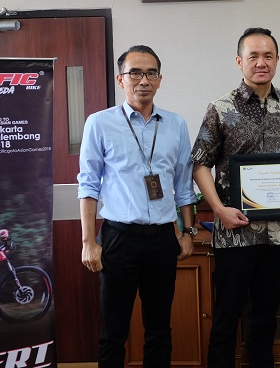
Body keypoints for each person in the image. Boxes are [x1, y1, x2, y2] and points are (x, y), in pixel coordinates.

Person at [191, 27, 280, 368]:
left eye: (268, 56)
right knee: (227, 315)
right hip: (235, 231)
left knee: (265, 315)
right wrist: (219, 210)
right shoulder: (221, 108)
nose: (261, 63)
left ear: (277, 59)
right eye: (253, 56)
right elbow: (200, 164)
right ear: (239, 61)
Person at [78, 45, 197, 368]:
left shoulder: (176, 124)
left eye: (151, 73)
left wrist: (187, 232)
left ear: (159, 79)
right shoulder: (99, 123)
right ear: (121, 79)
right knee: (113, 331)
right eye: (135, 73)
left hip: (162, 239)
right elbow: (88, 184)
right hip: (118, 238)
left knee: (159, 329)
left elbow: (184, 185)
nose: (143, 80)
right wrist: (88, 242)